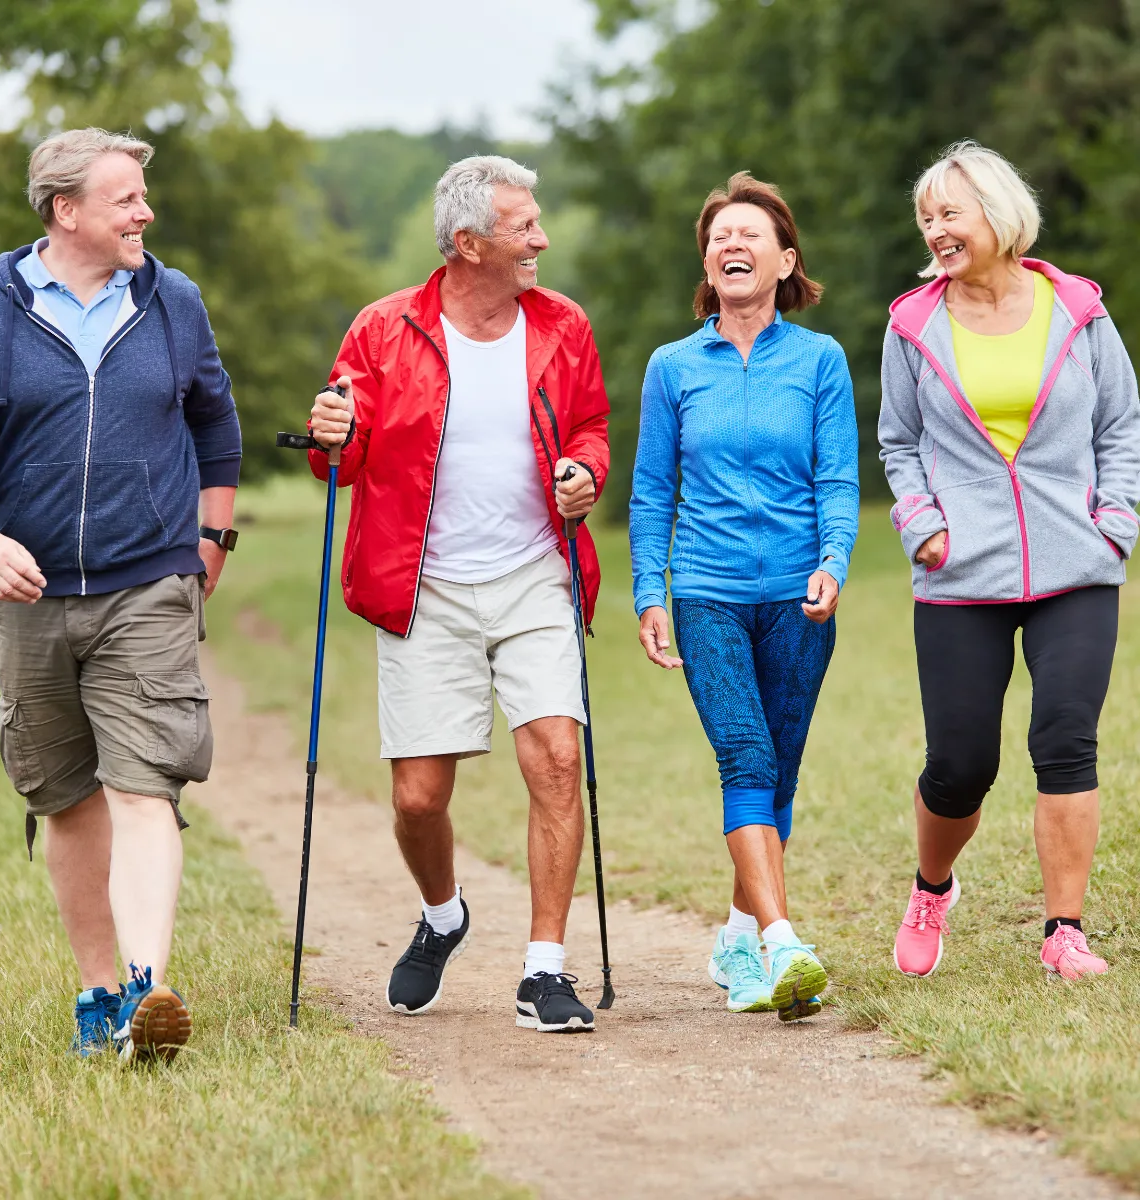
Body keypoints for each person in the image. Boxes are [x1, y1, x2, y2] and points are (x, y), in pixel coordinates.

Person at [0, 128, 243, 1059]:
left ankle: (151, 989)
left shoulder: (170, 299)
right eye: (126, 200)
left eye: (143, 197)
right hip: (27, 596)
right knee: (66, 795)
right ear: (65, 209)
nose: (145, 213)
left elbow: (214, 422)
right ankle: (101, 995)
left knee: (145, 784)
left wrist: (208, 544)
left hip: (146, 580)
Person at [307, 156, 610, 1033]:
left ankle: (544, 970)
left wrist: (584, 474)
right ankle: (443, 916)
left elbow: (589, 426)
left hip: (533, 576)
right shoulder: (381, 330)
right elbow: (344, 457)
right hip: (422, 587)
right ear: (468, 243)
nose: (541, 239)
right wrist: (334, 431)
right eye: (525, 227)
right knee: (418, 800)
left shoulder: (562, 326)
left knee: (557, 754)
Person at [879, 141, 1140, 980]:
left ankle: (1064, 929)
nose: (937, 229)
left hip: (1077, 562)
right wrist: (922, 525)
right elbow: (899, 440)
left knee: (1066, 741)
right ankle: (932, 886)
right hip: (961, 571)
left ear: (997, 212)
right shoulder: (912, 324)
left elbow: (1120, 427)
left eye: (950, 213)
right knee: (960, 765)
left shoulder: (1079, 311)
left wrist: (1114, 523)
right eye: (927, 218)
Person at [629, 172, 859, 1021]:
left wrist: (834, 559)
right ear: (707, 260)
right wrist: (648, 590)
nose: (732, 244)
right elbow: (653, 491)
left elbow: (838, 477)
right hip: (708, 591)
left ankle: (737, 935)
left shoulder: (820, 360)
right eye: (719, 234)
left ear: (785, 260)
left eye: (750, 234)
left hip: (801, 595)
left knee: (780, 772)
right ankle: (783, 941)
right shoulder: (672, 366)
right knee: (745, 757)